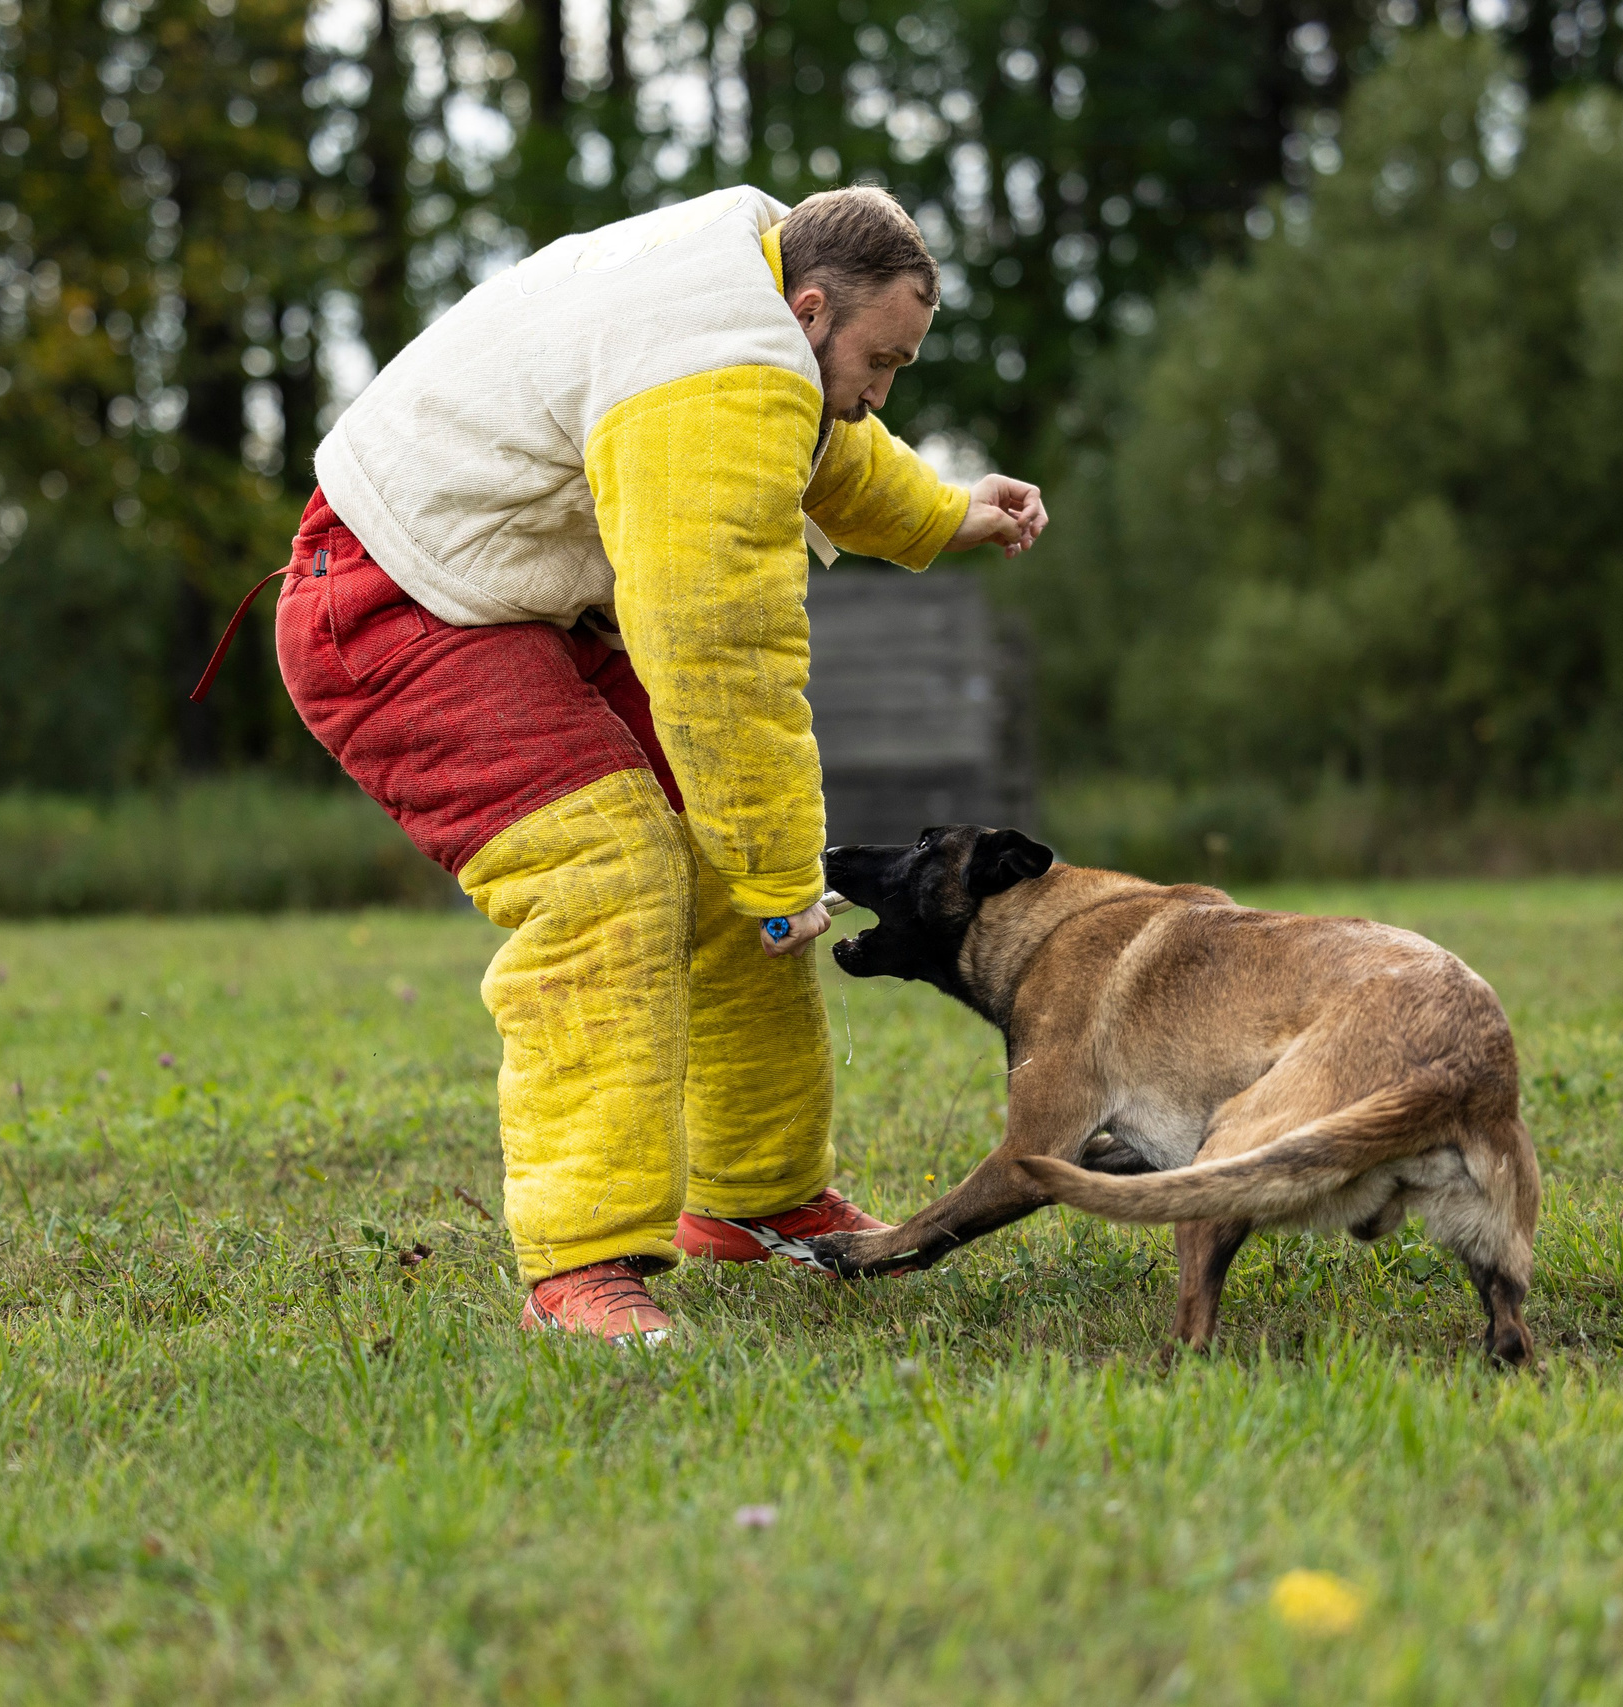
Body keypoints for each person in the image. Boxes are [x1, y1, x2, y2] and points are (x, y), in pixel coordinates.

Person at [272, 184, 1045, 1340]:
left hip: (525, 605)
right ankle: (578, 1270)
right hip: (389, 602)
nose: (884, 390)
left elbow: (814, 440)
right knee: (612, 873)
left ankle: (755, 1198)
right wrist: (786, 872)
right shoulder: (719, 368)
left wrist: (942, 510)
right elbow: (719, 647)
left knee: (735, 872)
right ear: (811, 306)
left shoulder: (754, 298)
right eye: (883, 361)